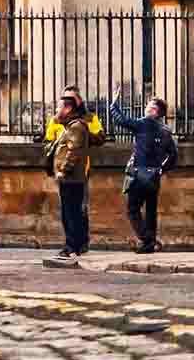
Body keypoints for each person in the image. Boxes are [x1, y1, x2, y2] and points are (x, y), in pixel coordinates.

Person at [110, 91, 179, 254]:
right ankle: (149, 244)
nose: (146, 108)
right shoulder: (166, 131)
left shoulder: (144, 123)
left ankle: (147, 239)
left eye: (149, 106)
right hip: (154, 176)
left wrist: (114, 105)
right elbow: (173, 156)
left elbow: (122, 121)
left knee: (133, 209)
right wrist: (161, 169)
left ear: (155, 111)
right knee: (150, 211)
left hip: (139, 174)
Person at [42, 89, 102, 268]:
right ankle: (72, 246)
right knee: (69, 212)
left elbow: (74, 151)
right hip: (69, 177)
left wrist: (63, 170)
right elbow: (50, 139)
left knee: (73, 213)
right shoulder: (69, 125)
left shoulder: (77, 126)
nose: (56, 112)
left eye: (59, 107)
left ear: (68, 108)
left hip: (72, 177)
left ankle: (72, 246)